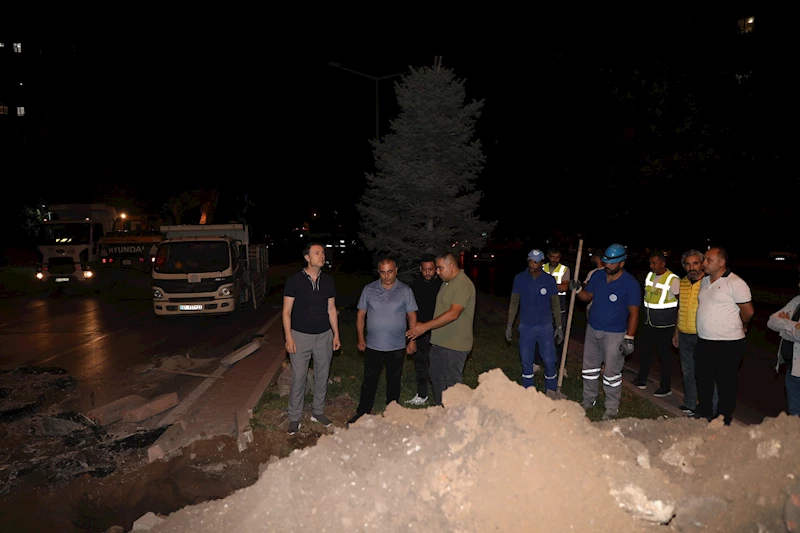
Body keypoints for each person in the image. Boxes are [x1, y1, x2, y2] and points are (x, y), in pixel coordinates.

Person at [568, 243, 641, 420]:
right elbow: (587, 297)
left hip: (615, 334)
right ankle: (589, 399)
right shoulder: (598, 276)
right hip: (593, 329)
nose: (607, 265)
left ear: (621, 263)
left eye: (612, 263)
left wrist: (629, 338)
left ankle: (611, 407)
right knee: (589, 369)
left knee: (612, 373)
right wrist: (578, 290)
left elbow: (634, 314)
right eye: (606, 261)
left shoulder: (630, 284)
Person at [347, 258, 418, 426]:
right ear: (379, 272)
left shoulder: (405, 290)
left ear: (396, 270)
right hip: (373, 345)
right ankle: (362, 411)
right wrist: (360, 338)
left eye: (390, 271)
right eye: (383, 272)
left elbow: (412, 316)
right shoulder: (369, 289)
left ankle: (392, 413)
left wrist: (412, 341)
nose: (386, 276)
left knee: (394, 381)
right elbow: (360, 315)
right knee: (369, 381)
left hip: (397, 345)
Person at [282, 243, 341, 435]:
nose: (322, 256)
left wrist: (336, 334)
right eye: (317, 253)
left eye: (323, 253)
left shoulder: (329, 281)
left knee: (322, 375)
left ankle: (318, 411)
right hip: (300, 336)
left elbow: (331, 309)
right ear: (307, 257)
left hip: (324, 336)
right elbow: (286, 312)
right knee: (299, 377)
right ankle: (294, 417)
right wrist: (288, 337)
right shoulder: (294, 281)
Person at [406, 252, 476, 407]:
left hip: (455, 344)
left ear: (451, 266)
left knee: (452, 384)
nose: (437, 272)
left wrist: (424, 327)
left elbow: (453, 313)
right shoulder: (447, 282)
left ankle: (455, 418)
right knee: (436, 377)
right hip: (439, 341)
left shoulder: (463, 284)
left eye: (439, 268)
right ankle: (440, 410)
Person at [694, 247, 754, 425]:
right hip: (704, 341)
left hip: (728, 343)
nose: (704, 263)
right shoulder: (704, 282)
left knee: (725, 384)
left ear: (722, 262)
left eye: (708, 260)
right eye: (704, 259)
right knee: (703, 380)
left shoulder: (735, 283)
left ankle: (722, 419)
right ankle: (704, 411)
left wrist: (743, 325)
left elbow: (748, 312)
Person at [505, 249, 564, 398]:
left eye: (536, 262)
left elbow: (556, 305)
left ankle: (551, 390)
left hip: (545, 326)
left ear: (541, 263)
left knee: (549, 359)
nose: (532, 264)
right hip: (526, 326)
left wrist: (559, 326)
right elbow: (514, 303)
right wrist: (509, 325)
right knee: (526, 360)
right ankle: (528, 392)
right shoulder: (520, 278)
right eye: (530, 261)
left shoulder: (549, 280)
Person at [633, 251, 679, 398]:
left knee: (664, 357)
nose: (652, 266)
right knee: (645, 352)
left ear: (663, 263)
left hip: (665, 325)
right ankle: (641, 380)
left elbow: (681, 303)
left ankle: (665, 387)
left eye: (655, 263)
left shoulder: (673, 279)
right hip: (649, 322)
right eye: (650, 263)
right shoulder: (650, 276)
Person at [671, 249, 706, 416]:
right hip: (684, 334)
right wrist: (676, 332)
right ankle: (690, 404)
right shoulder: (682, 283)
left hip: (703, 336)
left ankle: (707, 408)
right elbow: (680, 308)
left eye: (695, 263)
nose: (691, 267)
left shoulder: (708, 283)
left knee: (704, 373)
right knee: (688, 372)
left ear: (702, 264)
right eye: (687, 264)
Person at [406, 254, 442, 406]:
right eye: (425, 269)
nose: (428, 273)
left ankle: (441, 397)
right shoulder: (415, 286)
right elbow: (410, 312)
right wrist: (412, 335)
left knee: (438, 365)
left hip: (439, 330)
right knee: (420, 363)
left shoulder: (442, 285)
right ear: (420, 269)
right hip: (420, 330)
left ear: (436, 269)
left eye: (431, 269)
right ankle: (422, 394)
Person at [766, 277, 800, 416]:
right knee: (794, 416)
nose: (798, 284)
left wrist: (785, 327)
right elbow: (772, 321)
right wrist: (791, 325)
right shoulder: (797, 301)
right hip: (791, 369)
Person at [543, 248, 571, 361]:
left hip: (559, 307)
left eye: (557, 257)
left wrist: (546, 285)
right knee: (540, 334)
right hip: (543, 306)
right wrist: (556, 285)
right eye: (552, 257)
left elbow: (564, 287)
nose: (554, 259)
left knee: (560, 336)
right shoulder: (542, 268)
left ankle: (561, 364)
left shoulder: (565, 269)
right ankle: (538, 362)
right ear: (548, 256)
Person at [583, 248, 606, 322]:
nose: (591, 259)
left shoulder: (595, 273)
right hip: (592, 306)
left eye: (592, 257)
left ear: (596, 258)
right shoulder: (593, 272)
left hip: (597, 307)